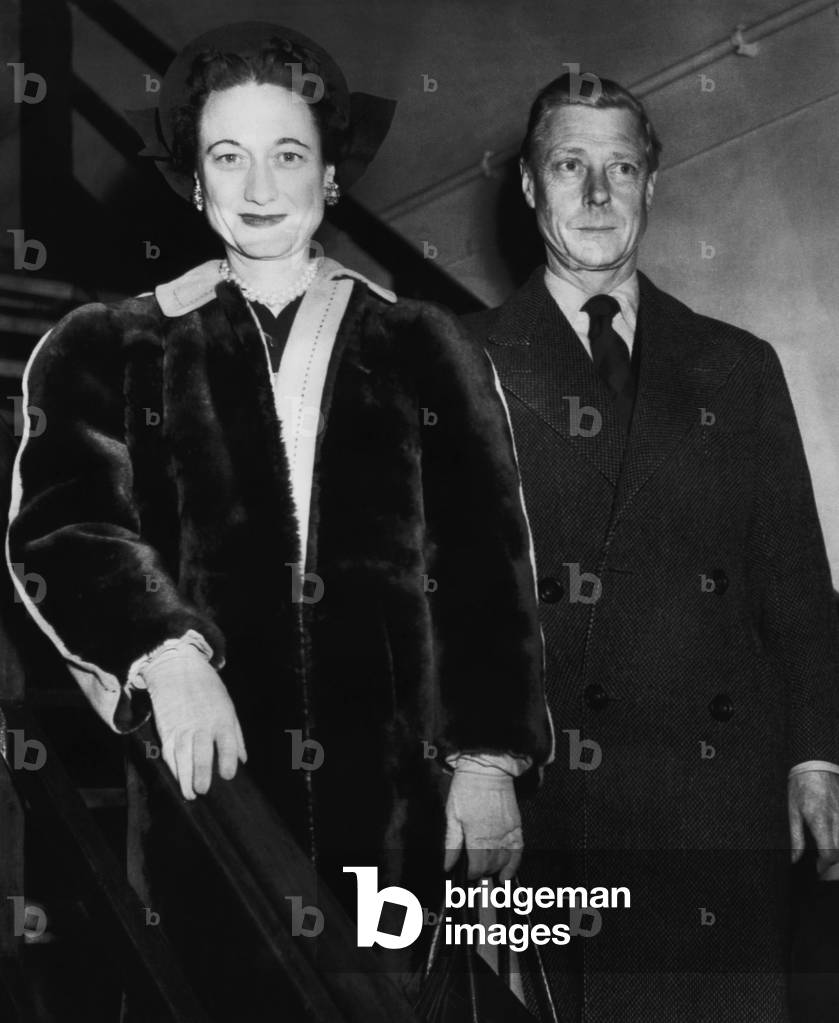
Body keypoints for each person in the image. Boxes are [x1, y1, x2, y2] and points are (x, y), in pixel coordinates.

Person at [5, 22, 552, 1016]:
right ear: (194, 181)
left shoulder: (421, 342)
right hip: (209, 789)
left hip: (398, 801)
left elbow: (481, 565)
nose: (259, 185)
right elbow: (67, 529)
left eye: (288, 153)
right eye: (228, 155)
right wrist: (163, 650)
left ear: (330, 177)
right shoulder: (106, 344)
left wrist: (485, 758)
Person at [464, 71, 839, 1022]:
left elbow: (793, 577)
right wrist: (471, 768)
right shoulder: (455, 359)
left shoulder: (737, 364)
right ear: (527, 187)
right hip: (552, 809)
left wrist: (815, 757)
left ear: (651, 185)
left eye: (620, 168)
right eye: (569, 166)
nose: (596, 195)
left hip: (722, 806)